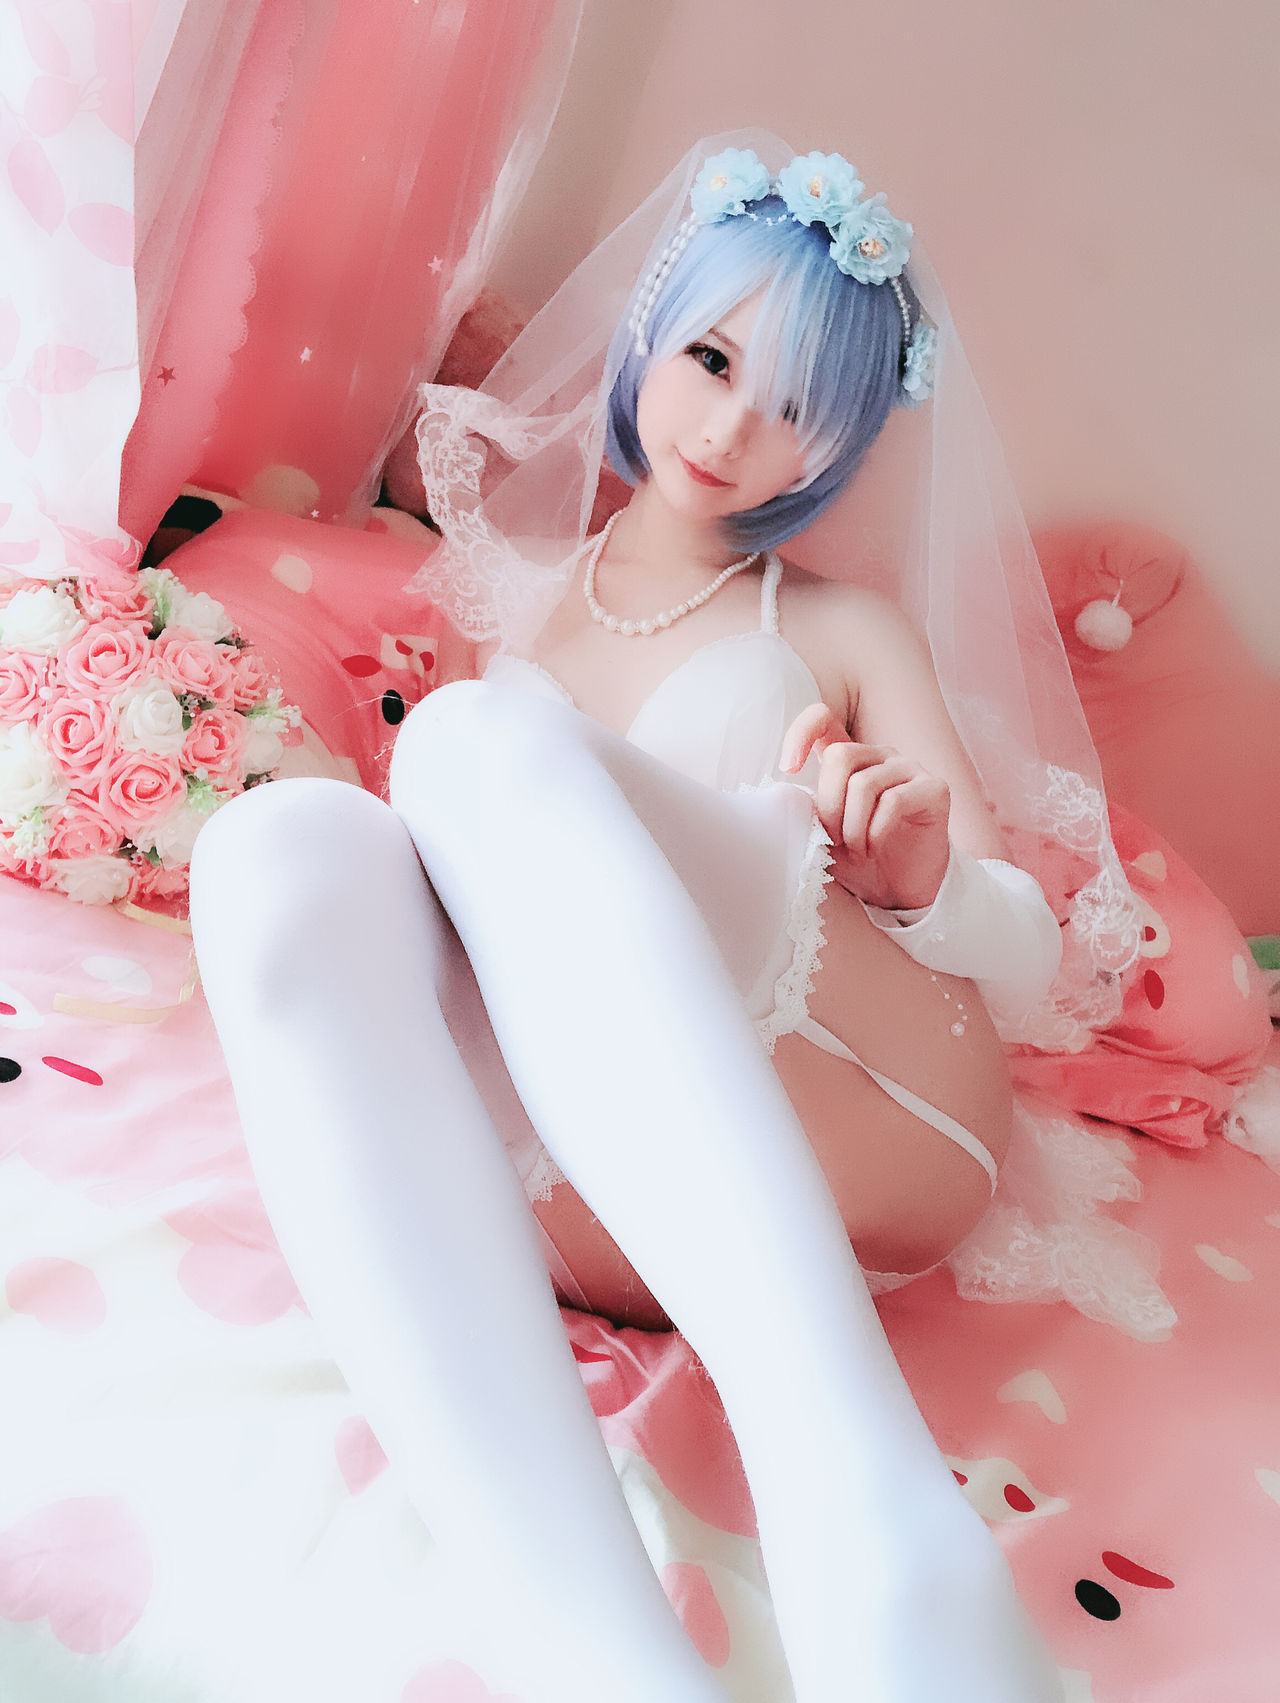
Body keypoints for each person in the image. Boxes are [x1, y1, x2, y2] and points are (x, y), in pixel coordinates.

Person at [189, 130, 1166, 1703]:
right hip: (593, 1185)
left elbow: (1030, 950)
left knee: (476, 745)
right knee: (274, 853)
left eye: (795, 407)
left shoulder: (840, 628)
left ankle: (874, 1532)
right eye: (712, 359)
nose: (728, 429)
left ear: (842, 444)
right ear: (648, 331)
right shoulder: (513, 606)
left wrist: (923, 882)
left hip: (864, 1101)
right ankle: (595, 1658)